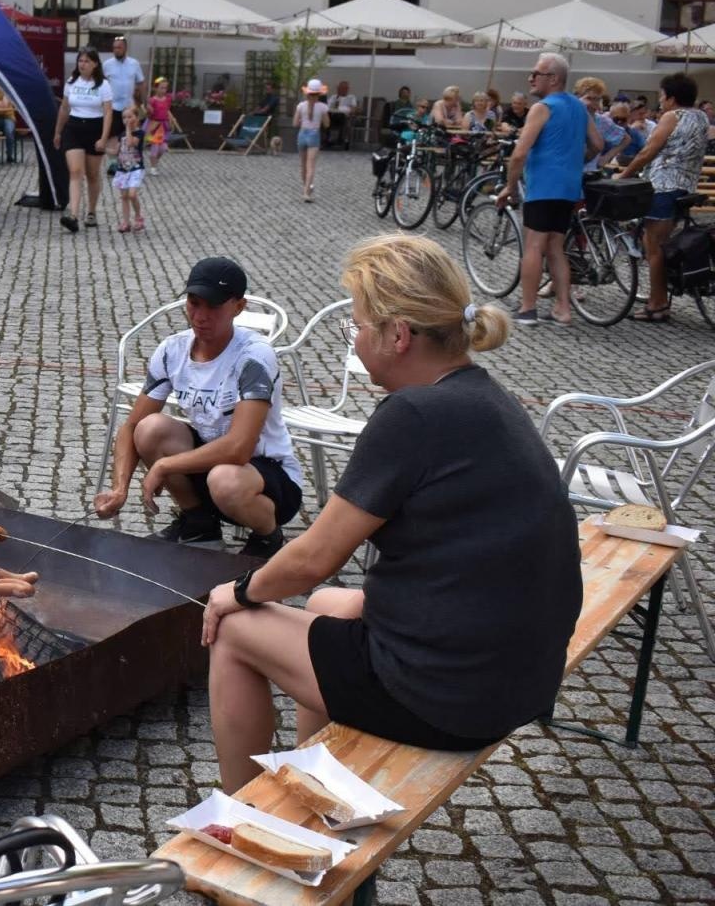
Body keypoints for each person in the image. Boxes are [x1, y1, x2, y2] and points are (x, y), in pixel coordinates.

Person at [199, 233, 580, 793]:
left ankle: (241, 819)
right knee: (331, 606)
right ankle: (321, 787)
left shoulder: (413, 414)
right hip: (518, 674)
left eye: (356, 326)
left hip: (447, 697)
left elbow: (313, 558)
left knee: (233, 629)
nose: (353, 342)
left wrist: (236, 590)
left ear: (398, 334)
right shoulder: (482, 394)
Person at [93, 257, 303, 559]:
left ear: (238, 307)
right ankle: (200, 525)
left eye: (213, 307)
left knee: (224, 478)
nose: (200, 316)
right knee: (149, 428)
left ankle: (267, 537)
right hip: (210, 465)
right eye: (193, 303)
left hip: (268, 476)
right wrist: (119, 488)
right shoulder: (173, 349)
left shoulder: (254, 356)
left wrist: (164, 466)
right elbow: (130, 426)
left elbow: (239, 450)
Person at [496, 52, 601, 326]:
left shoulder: (542, 108)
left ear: (553, 78)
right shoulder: (579, 107)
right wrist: (576, 162)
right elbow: (598, 145)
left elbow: (519, 154)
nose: (530, 78)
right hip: (568, 187)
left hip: (543, 185)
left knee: (533, 246)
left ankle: (528, 309)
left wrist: (510, 187)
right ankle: (562, 309)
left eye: (536, 74)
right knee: (555, 247)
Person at [616, 72, 709, 323]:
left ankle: (657, 305)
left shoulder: (672, 116)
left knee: (654, 248)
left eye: (662, 95)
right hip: (686, 187)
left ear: (671, 97)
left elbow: (649, 150)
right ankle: (664, 293)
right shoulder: (701, 117)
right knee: (665, 245)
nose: (660, 100)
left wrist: (624, 175)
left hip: (663, 188)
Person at [52, 45, 112, 233]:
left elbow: (108, 112)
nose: (82, 64)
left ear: (95, 64)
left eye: (86, 61)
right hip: (74, 128)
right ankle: (73, 215)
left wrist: (104, 138)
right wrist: (58, 131)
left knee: (92, 174)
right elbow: (64, 108)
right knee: (75, 171)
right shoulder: (72, 82)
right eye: (80, 60)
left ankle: (91, 211)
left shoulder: (103, 84)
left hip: (94, 128)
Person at [294, 79, 330, 203]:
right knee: (311, 166)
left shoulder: (300, 106)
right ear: (319, 93)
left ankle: (307, 189)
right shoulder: (323, 107)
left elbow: (294, 123)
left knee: (303, 166)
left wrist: (302, 121)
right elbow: (327, 124)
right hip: (314, 135)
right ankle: (306, 193)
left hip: (302, 134)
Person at [112, 104, 145, 233]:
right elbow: (116, 151)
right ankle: (125, 222)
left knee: (132, 194)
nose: (126, 120)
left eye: (129, 117)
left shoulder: (140, 133)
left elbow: (131, 143)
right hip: (122, 170)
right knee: (124, 196)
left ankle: (138, 217)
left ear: (136, 118)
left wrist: (127, 129)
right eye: (124, 118)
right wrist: (102, 148)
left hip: (136, 168)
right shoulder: (121, 135)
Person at [101, 35, 146, 113]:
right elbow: (100, 84)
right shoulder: (106, 65)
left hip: (129, 108)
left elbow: (141, 84)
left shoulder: (134, 63)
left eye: (119, 47)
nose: (116, 50)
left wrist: (146, 102)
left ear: (125, 48)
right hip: (112, 108)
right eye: (114, 48)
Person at [143, 76, 179, 169]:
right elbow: (148, 114)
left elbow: (167, 110)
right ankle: (153, 167)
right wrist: (148, 110)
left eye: (165, 88)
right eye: (161, 88)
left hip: (164, 126)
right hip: (154, 126)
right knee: (155, 146)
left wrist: (171, 118)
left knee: (163, 148)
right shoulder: (152, 100)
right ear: (155, 88)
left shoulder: (168, 99)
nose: (164, 90)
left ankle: (154, 161)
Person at [324, 80, 356, 148]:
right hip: (333, 116)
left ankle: (340, 140)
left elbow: (353, 108)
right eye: (340, 88)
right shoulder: (334, 97)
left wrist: (347, 109)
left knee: (343, 118)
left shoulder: (351, 97)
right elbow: (327, 107)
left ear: (347, 89)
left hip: (345, 117)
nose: (342, 90)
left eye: (344, 88)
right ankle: (327, 140)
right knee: (325, 119)